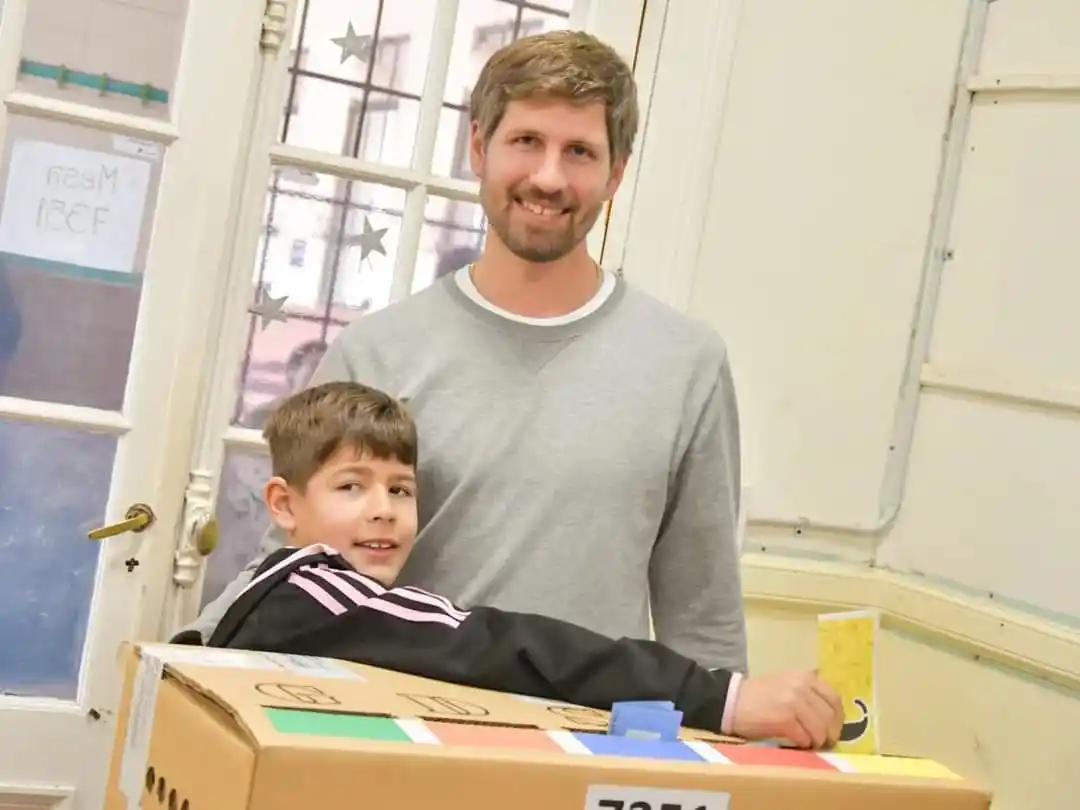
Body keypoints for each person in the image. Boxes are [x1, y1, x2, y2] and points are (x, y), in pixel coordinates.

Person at [189, 30, 748, 673]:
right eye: (526, 142)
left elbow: (704, 624)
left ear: (615, 174)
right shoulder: (377, 352)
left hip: (588, 752)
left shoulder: (688, 365)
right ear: (479, 147)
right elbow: (292, 573)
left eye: (580, 152)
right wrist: (189, 665)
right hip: (394, 737)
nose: (548, 177)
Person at [183, 382, 843, 748]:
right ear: (283, 505)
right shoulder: (325, 595)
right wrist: (720, 698)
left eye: (401, 489)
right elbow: (498, 646)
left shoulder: (263, 597)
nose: (383, 510)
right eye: (351, 487)